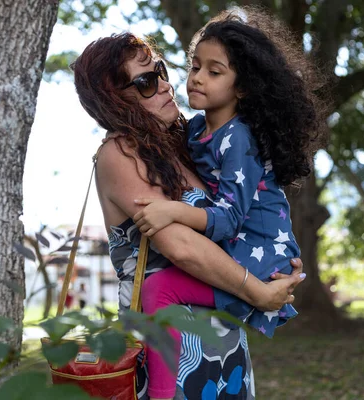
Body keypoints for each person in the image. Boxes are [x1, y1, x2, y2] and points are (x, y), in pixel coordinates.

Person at [72, 27, 306, 400]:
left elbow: (238, 218)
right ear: (114, 100)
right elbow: (181, 248)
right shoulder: (121, 153)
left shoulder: (184, 144)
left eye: (161, 72)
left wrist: (274, 259)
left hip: (219, 347)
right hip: (166, 353)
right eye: (146, 82)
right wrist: (260, 294)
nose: (166, 85)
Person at [132, 9, 329, 399]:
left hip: (258, 251)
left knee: (159, 291)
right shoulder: (196, 130)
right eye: (194, 66)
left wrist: (171, 211)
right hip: (242, 248)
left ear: (243, 88)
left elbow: (227, 219)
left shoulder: (238, 138)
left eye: (215, 71)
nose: (197, 77)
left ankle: (161, 395)